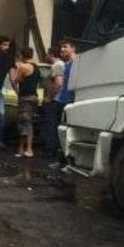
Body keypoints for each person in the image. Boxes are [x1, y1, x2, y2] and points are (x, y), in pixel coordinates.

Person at [49, 39, 78, 168]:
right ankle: (64, 160)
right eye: (61, 48)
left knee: (63, 133)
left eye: (65, 47)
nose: (62, 50)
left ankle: (65, 161)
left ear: (73, 48)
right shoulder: (67, 64)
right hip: (66, 101)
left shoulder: (77, 63)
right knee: (63, 132)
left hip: (67, 101)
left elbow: (60, 83)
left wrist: (50, 96)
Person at [10, 47, 41, 158]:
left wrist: (13, 71)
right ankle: (21, 149)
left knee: (25, 122)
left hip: (26, 97)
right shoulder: (36, 67)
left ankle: (28, 149)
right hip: (33, 97)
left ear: (22, 56)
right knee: (25, 122)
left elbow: (15, 81)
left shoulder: (23, 67)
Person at [42, 45, 66, 158]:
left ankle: (51, 151)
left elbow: (59, 83)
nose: (46, 56)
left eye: (48, 53)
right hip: (57, 100)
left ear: (51, 54)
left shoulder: (57, 65)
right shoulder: (60, 65)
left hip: (55, 101)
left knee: (51, 126)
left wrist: (50, 97)